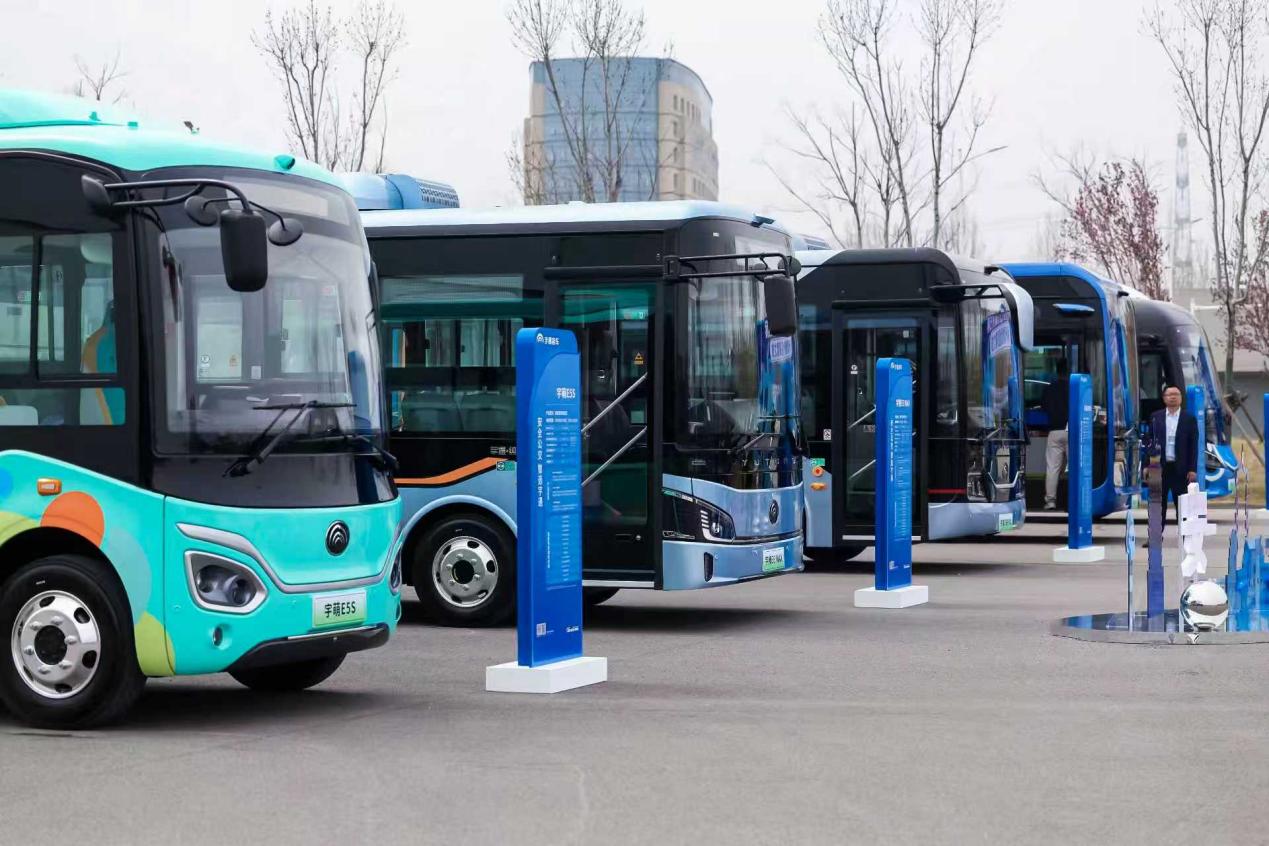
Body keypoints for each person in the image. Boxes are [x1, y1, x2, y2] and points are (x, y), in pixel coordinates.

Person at [1148, 385, 1199, 528]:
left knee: (1182, 504)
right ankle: (1156, 534)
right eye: (1169, 395)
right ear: (1164, 398)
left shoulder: (1189, 419)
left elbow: (1193, 446)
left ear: (1181, 398)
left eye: (1176, 394)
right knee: (1158, 504)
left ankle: (1184, 534)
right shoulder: (1155, 417)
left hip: (1180, 469)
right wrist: (1148, 465)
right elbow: (1150, 443)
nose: (1173, 397)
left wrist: (1192, 469)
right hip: (1159, 467)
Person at [1041, 359, 1071, 510]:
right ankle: (1074, 499)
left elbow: (1044, 407)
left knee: (1052, 468)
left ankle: (1050, 501)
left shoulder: (1049, 388)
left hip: (1054, 431)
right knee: (1073, 467)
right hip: (1072, 431)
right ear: (1068, 372)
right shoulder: (1073, 387)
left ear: (1057, 372)